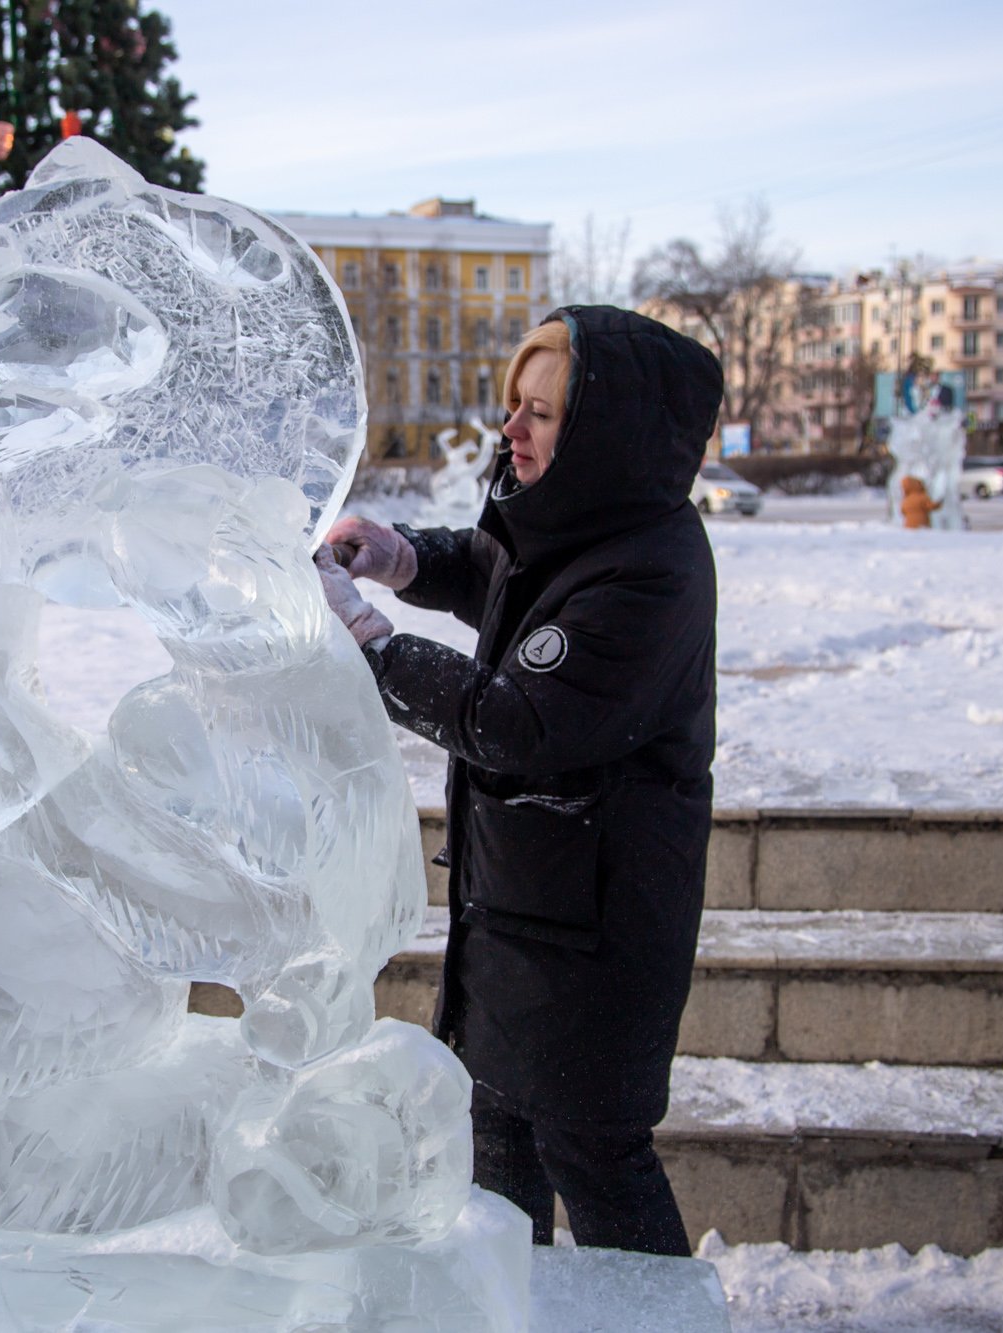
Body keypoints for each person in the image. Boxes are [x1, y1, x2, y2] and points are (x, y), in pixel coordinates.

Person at [315, 306, 723, 1255]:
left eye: (540, 413)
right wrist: (405, 558)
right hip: (523, 912)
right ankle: (511, 1309)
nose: (511, 429)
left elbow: (518, 721)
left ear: (604, 435)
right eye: (514, 405)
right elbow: (494, 569)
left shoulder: (650, 572)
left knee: (595, 1150)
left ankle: (661, 1320)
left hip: (599, 933)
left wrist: (372, 646)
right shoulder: (572, 518)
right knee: (495, 1139)